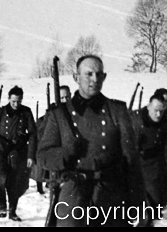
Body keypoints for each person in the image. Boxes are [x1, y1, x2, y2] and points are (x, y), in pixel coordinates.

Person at [37, 55, 146, 227]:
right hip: (73, 191)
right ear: (76, 77)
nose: (95, 79)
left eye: (99, 74)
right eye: (88, 74)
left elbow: (131, 160)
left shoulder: (117, 111)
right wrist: (64, 154)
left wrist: (139, 204)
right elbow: (43, 156)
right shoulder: (59, 114)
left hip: (110, 193)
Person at [0, 86, 37, 221]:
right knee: (0, 177)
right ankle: (2, 205)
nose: (16, 104)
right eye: (13, 102)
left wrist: (30, 155)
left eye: (18, 101)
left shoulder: (26, 112)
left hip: (18, 149)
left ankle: (12, 211)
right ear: (9, 99)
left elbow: (33, 135)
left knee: (15, 182)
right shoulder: (0, 112)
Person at [132, 93, 167, 226]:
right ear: (148, 106)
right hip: (136, 168)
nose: (158, 114)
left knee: (156, 204)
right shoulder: (136, 121)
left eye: (161, 111)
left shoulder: (165, 124)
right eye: (155, 110)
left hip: (155, 169)